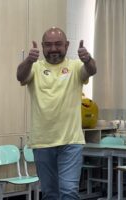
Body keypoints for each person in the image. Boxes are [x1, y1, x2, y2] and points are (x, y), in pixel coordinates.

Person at [16, 27, 97, 200]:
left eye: (58, 44)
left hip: (71, 141)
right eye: (48, 45)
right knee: (50, 193)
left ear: (66, 45)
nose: (53, 49)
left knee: (69, 191)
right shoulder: (35, 68)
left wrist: (88, 59)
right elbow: (20, 76)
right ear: (43, 47)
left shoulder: (75, 66)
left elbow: (91, 70)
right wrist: (28, 61)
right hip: (42, 142)